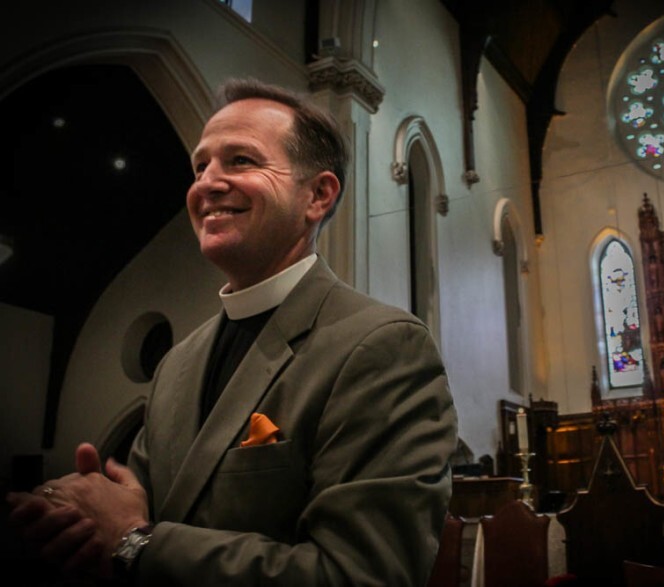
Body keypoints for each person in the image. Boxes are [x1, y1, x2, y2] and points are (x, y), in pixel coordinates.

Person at [6, 77, 458, 586]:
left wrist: (137, 542)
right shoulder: (178, 363)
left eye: (241, 160)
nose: (206, 184)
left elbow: (362, 574)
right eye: (201, 166)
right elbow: (130, 513)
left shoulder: (382, 345)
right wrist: (68, 517)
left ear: (318, 195)